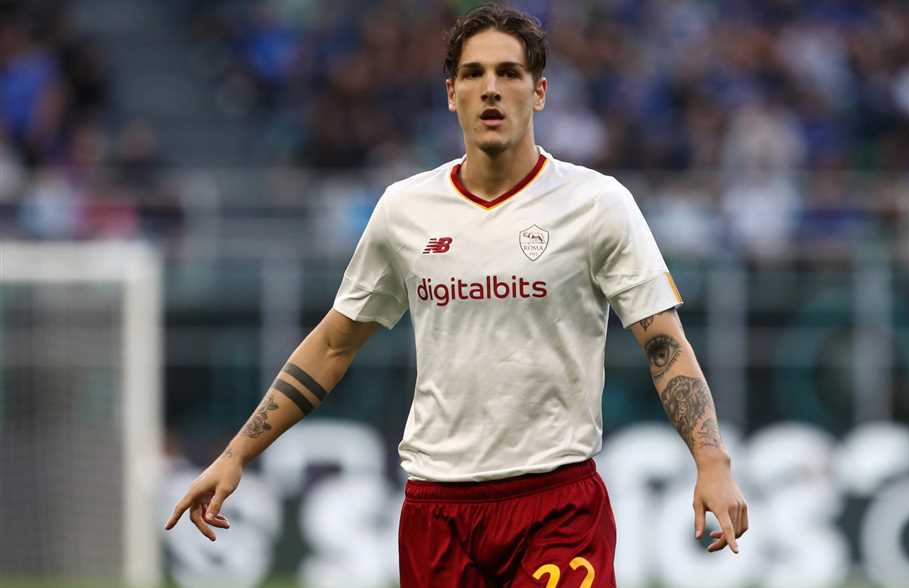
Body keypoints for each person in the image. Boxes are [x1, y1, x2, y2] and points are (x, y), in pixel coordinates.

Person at [165, 5, 748, 586]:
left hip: (557, 504)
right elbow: (334, 345)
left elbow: (664, 344)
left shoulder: (598, 205)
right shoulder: (405, 210)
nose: (490, 89)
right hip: (438, 511)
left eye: (509, 72)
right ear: (451, 93)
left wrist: (711, 460)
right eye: (473, 74)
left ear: (539, 92)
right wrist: (237, 454)